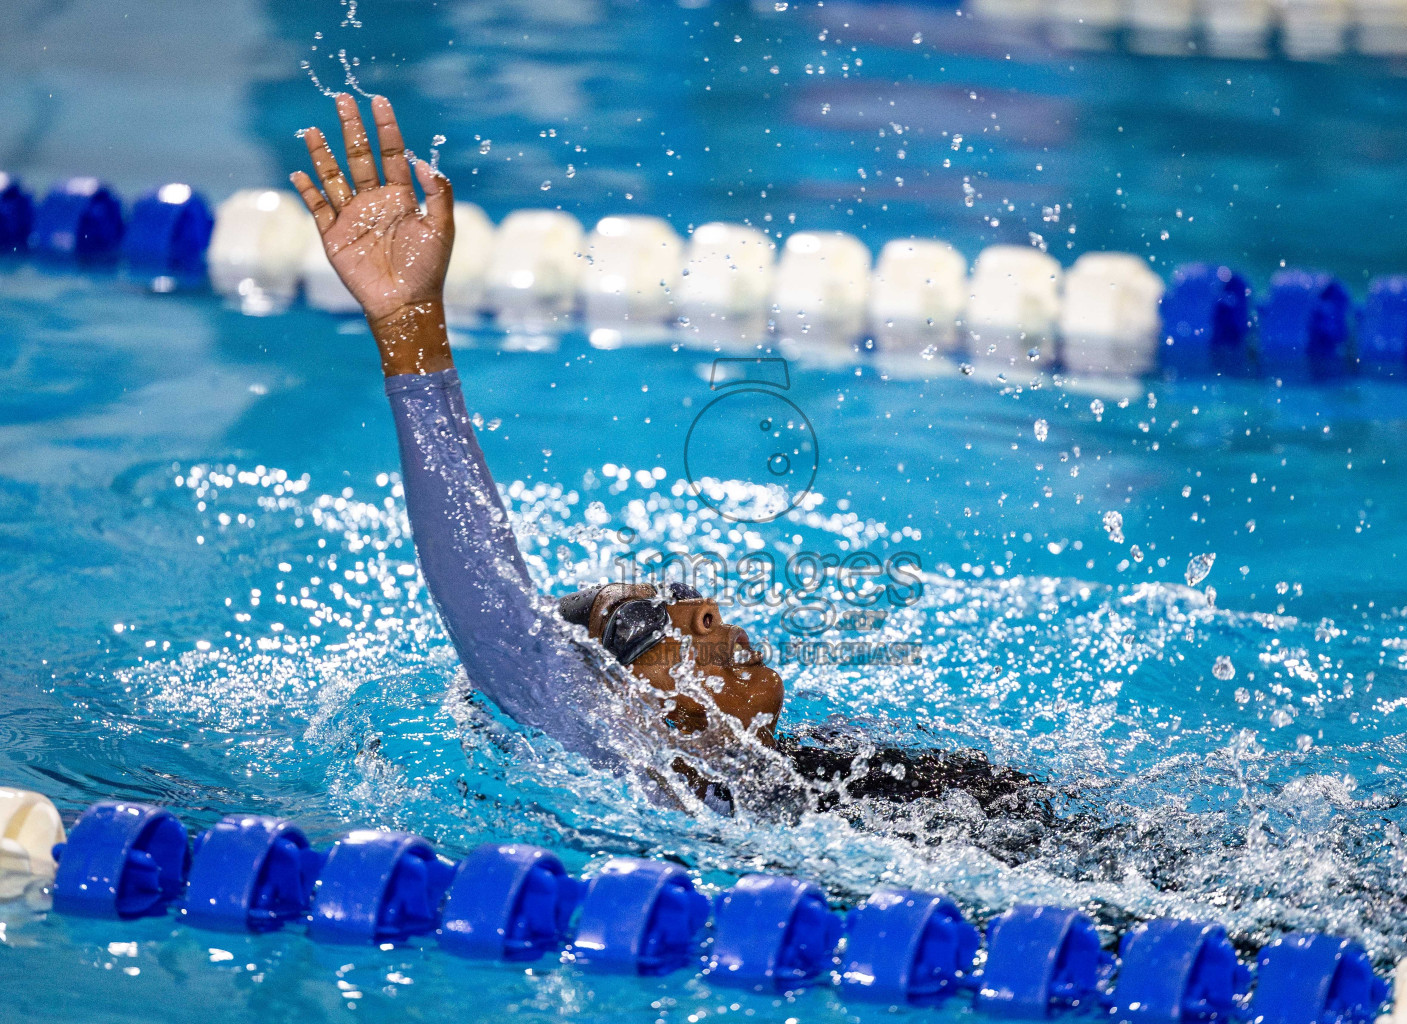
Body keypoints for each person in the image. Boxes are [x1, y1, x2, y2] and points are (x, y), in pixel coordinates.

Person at [291, 94, 1051, 823]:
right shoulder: (611, 758)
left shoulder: (836, 767)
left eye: (684, 593)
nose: (706, 610)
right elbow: (480, 583)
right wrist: (408, 325)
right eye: (646, 622)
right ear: (609, 701)